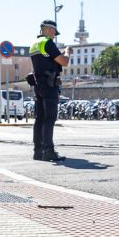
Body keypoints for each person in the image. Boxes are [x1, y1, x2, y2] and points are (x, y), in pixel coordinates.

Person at [28, 19, 69, 161]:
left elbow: (47, 60)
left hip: (38, 85)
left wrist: (59, 54)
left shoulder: (34, 44)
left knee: (39, 119)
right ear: (50, 30)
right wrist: (67, 52)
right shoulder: (47, 42)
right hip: (50, 85)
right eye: (54, 33)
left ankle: (38, 151)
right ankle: (49, 151)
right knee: (49, 118)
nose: (54, 35)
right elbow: (64, 61)